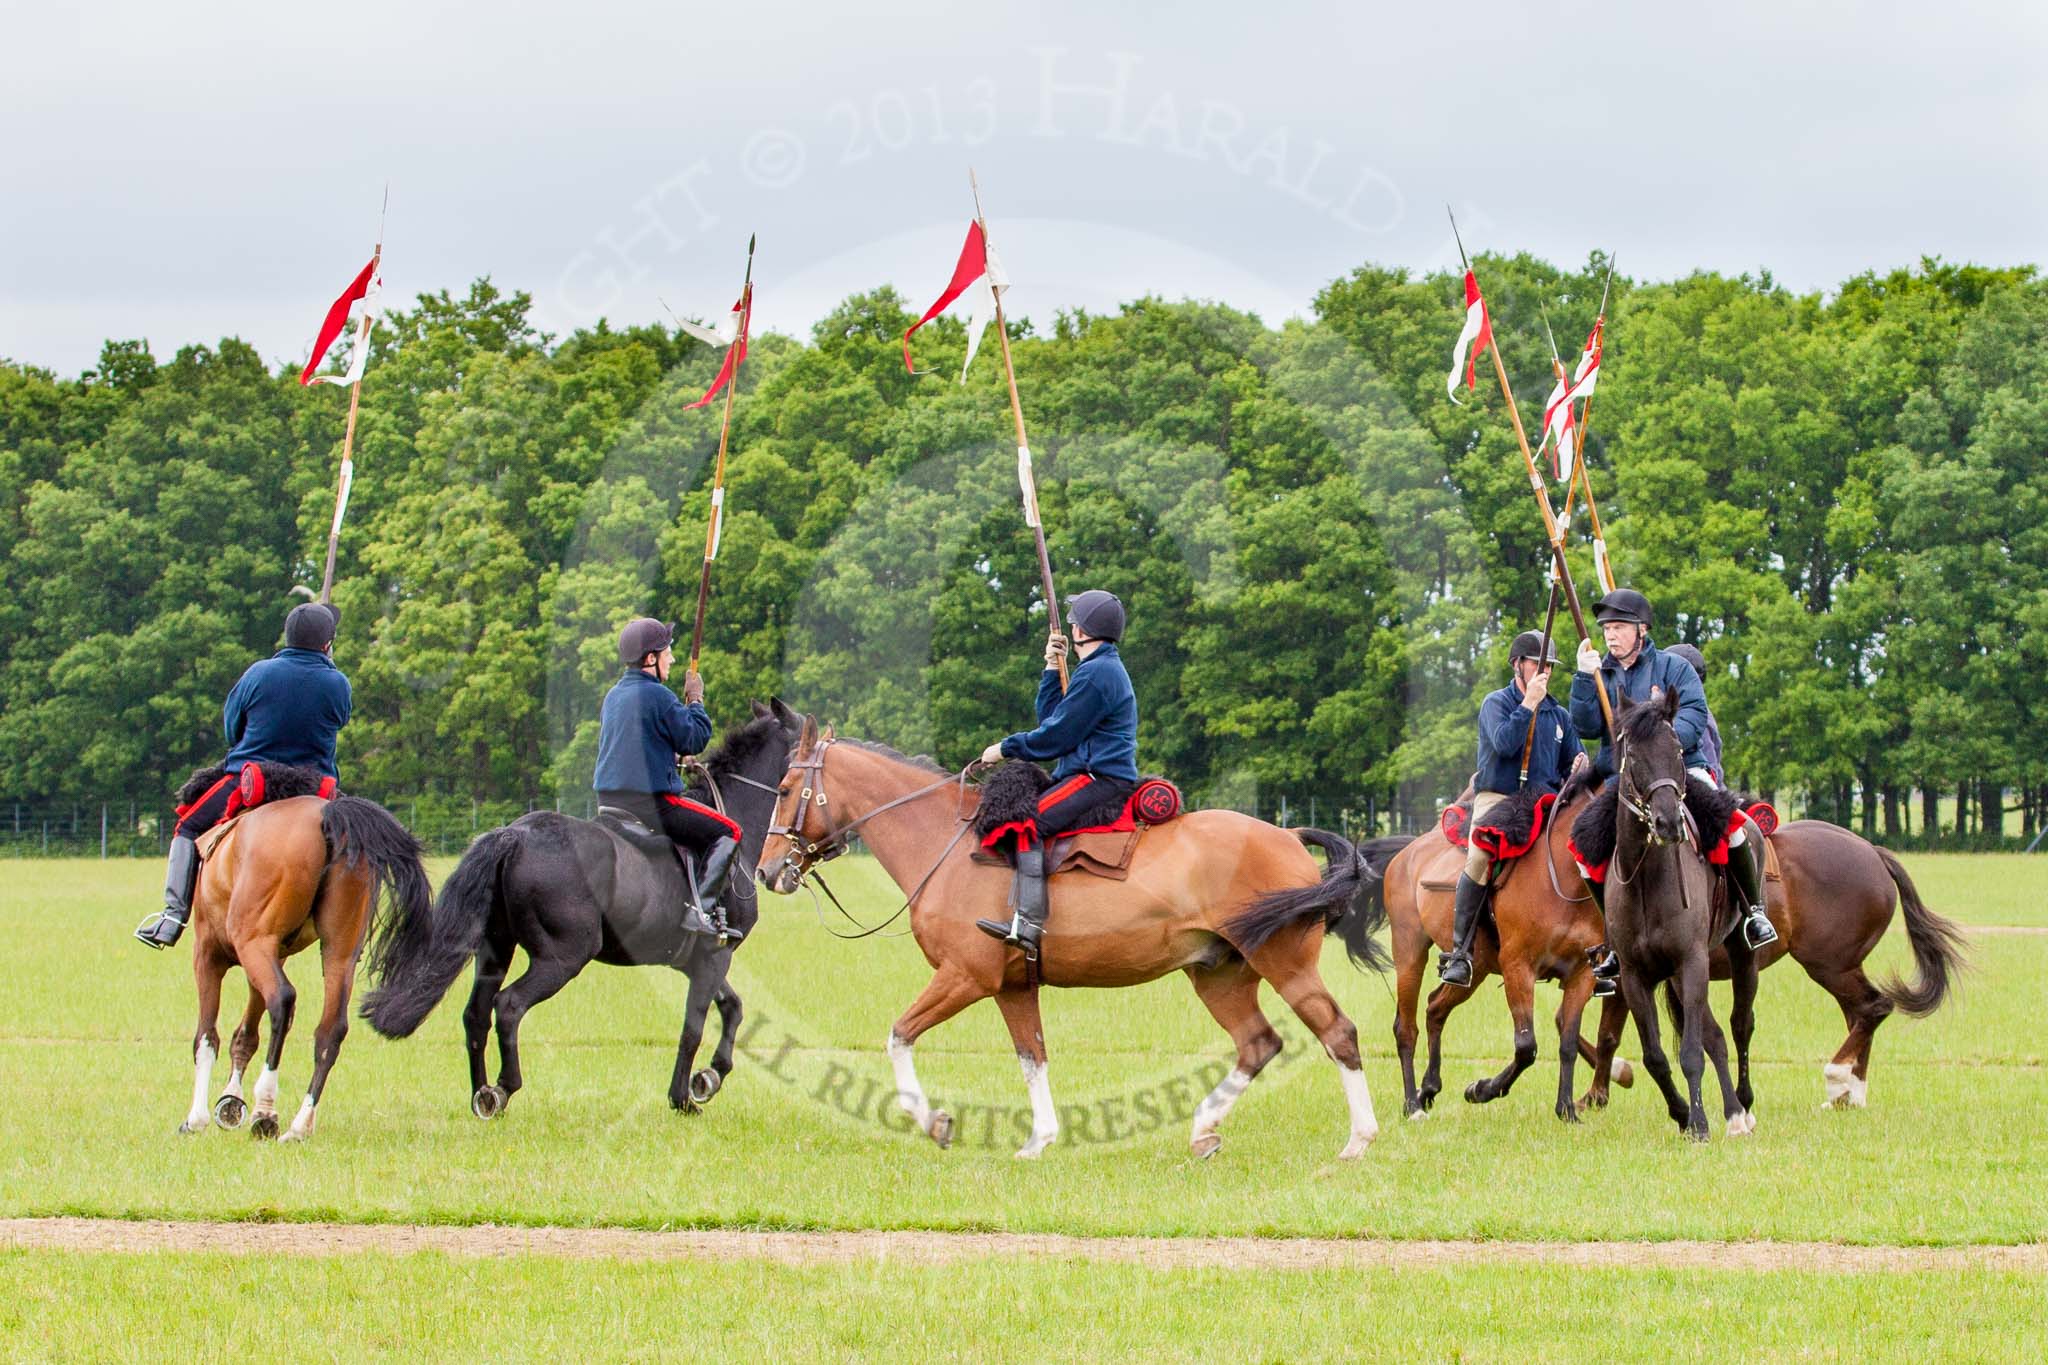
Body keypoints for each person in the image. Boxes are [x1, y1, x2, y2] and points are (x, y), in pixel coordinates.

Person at [135, 601, 351, 949]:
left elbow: (231, 729)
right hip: (316, 788)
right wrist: (328, 668)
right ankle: (350, 930)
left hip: (252, 780)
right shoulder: (338, 683)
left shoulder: (258, 673)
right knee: (364, 838)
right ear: (327, 644)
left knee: (187, 826)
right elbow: (340, 719)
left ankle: (172, 916)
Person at [1569, 590, 1774, 950]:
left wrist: (1658, 745)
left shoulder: (1674, 668)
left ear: (1641, 629)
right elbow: (1585, 726)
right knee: (1582, 845)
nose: (1611, 636)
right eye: (1606, 630)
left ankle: (1754, 912)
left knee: (1733, 826)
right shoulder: (1600, 674)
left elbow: (1694, 715)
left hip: (1679, 770)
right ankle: (1614, 937)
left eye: (1618, 627)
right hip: (1626, 781)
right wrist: (1584, 679)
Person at [974, 589, 1139, 962]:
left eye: (1074, 621)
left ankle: (1028, 924)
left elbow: (1056, 737)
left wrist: (1005, 747)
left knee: (1025, 821)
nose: (1072, 626)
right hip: (1083, 772)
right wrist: (1052, 668)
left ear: (1082, 630)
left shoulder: (1098, 674)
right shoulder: (1093, 670)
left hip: (1098, 778)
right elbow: (1052, 720)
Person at [1440, 630, 1596, 990]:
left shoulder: (1559, 715)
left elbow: (1573, 760)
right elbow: (1504, 744)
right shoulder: (1496, 703)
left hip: (1547, 802)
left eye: (1550, 667)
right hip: (1500, 798)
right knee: (1479, 857)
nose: (1546, 673)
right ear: (1518, 665)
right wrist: (1528, 705)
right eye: (1538, 665)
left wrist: (1578, 766)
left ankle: (1598, 947)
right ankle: (1460, 952)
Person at [592, 618, 741, 943]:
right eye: (667, 652)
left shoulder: (614, 696)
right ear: (650, 659)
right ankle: (700, 911)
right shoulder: (657, 696)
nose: (672, 659)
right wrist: (696, 700)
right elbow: (695, 738)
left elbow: (637, 747)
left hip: (608, 802)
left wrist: (672, 759)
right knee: (730, 831)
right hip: (652, 805)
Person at [1665, 641, 1775, 949]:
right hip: (1658, 782)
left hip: (1695, 778)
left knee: (1735, 828)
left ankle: (1753, 910)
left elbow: (1710, 764)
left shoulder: (1701, 715)